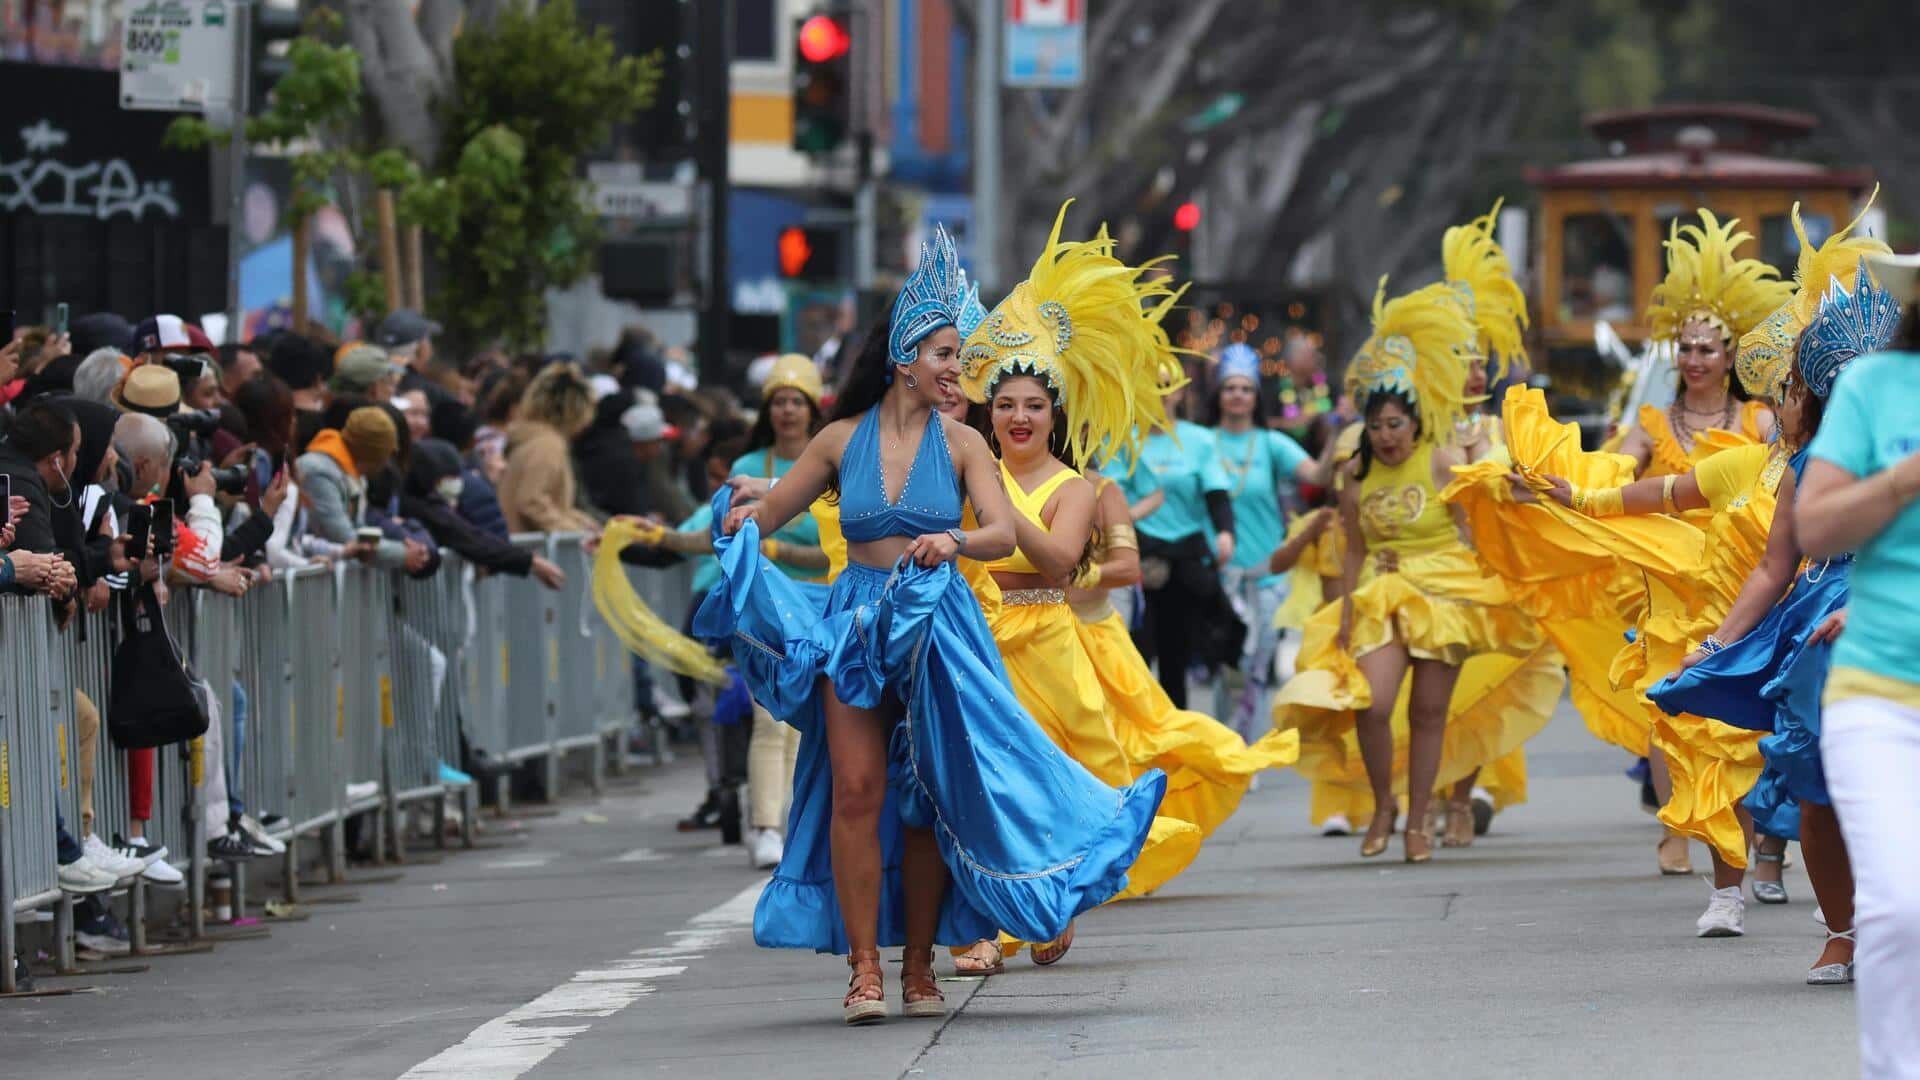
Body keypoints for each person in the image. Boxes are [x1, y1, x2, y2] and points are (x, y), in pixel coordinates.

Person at [695, 225, 1162, 1025]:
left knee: (924, 800)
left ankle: (918, 963)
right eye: (946, 353)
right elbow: (772, 513)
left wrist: (955, 541)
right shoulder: (839, 441)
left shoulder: (965, 441)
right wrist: (742, 514)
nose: (957, 368)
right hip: (855, 629)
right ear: (904, 356)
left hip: (940, 627)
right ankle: (863, 970)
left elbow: (1003, 532)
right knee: (855, 790)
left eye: (959, 355)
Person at [1651, 234, 1897, 977]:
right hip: (1814, 630)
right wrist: (1715, 646)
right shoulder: (1804, 467)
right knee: (1816, 785)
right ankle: (1843, 932)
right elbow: (1772, 569)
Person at [1273, 279, 1542, 863]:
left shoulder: (1442, 460)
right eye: (1377, 426)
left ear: (1416, 423)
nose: (1387, 436)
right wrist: (1346, 612)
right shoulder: (1357, 474)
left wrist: (1528, 501)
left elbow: (1484, 509)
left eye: (1396, 424)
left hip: (1444, 594)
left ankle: (1418, 821)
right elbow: (1352, 549)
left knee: (1428, 713)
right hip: (1381, 594)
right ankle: (1382, 806)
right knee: (1372, 704)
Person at [1793, 247, 1920, 1079]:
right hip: (1884, 694)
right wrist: (1904, 478)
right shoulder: (1876, 388)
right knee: (1902, 909)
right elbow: (1814, 529)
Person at [1207, 342, 1329, 742]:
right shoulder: (1202, 442)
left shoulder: (1271, 443)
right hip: (1218, 578)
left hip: (1267, 578)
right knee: (1226, 671)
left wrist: (1338, 434)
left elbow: (1317, 475)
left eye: (1246, 388)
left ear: (1256, 396)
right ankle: (1223, 748)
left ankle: (1247, 753)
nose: (1237, 395)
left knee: (1255, 671)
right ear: (1218, 394)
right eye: (1230, 387)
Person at [497, 363, 601, 536]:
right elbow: (531, 501)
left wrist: (579, 520)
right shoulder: (547, 446)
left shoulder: (534, 440)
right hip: (531, 547)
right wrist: (574, 532)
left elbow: (552, 503)